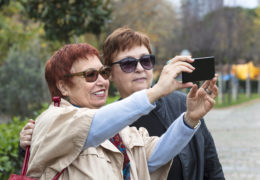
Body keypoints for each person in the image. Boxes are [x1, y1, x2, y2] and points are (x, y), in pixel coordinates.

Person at [23, 42, 216, 179]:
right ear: (63, 87)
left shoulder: (119, 130)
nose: (101, 81)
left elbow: (155, 156)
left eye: (103, 73)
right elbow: (90, 128)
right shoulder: (53, 120)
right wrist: (156, 91)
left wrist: (189, 119)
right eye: (90, 75)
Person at [101, 27, 224, 180]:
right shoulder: (105, 122)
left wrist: (192, 118)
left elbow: (211, 166)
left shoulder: (182, 104)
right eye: (128, 64)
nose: (139, 68)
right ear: (109, 73)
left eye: (146, 61)